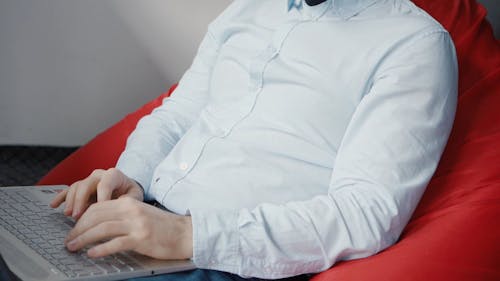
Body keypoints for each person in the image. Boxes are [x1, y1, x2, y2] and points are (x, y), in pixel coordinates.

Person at [50, 0, 458, 280]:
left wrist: (186, 235)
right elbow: (180, 113)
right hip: (144, 217)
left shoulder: (414, 44)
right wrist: (131, 177)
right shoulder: (248, 8)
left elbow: (365, 213)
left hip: (229, 261)